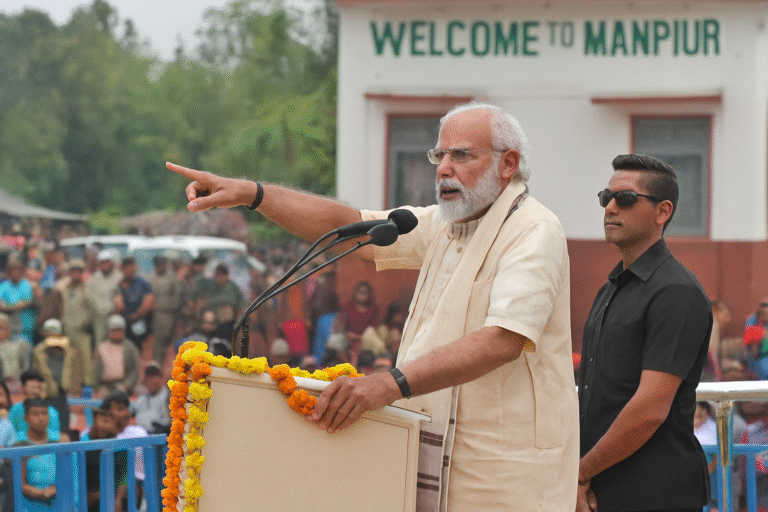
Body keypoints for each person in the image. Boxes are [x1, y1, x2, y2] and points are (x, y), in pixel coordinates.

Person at [167, 101, 579, 510]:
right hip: (437, 458)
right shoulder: (445, 224)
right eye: (440, 155)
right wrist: (251, 194)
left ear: (508, 164)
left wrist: (388, 384)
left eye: (462, 155)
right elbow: (345, 227)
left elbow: (502, 340)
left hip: (507, 477)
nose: (443, 168)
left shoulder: (534, 231)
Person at [578, 154, 712, 512]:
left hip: (654, 490)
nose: (610, 208)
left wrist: (580, 474)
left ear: (662, 212)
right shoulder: (611, 288)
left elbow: (650, 408)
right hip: (601, 484)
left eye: (624, 199)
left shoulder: (675, 292)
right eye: (606, 197)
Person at [31, 318, 80, 433]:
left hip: (63, 398)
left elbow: (76, 375)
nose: (52, 335)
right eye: (49, 332)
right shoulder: (38, 352)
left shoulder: (70, 352)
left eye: (55, 332)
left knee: (64, 432)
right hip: (44, 398)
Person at [55, 258, 96, 387]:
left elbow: (92, 309)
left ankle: (88, 384)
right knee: (70, 359)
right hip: (67, 330)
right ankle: (70, 385)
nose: (75, 274)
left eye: (78, 271)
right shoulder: (64, 289)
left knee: (85, 358)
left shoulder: (87, 288)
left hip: (82, 330)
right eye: (73, 271)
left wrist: (85, 322)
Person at [14, 398, 59, 512]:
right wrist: (41, 493)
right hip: (26, 506)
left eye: (44, 413)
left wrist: (57, 488)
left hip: (57, 502)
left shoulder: (59, 441)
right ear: (26, 418)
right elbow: (17, 483)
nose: (41, 418)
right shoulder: (18, 443)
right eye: (35, 414)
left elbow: (71, 475)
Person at [81, 405, 127, 512]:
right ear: (94, 419)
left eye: (110, 420)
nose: (106, 424)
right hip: (89, 494)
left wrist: (118, 499)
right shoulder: (83, 444)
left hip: (112, 494)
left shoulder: (121, 448)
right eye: (103, 419)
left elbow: (124, 477)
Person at [85, 249, 123, 356]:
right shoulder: (94, 279)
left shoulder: (119, 276)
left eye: (107, 262)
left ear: (112, 262)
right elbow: (88, 297)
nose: (105, 265)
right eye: (102, 262)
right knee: (100, 343)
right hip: (98, 318)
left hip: (115, 316)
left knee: (117, 343)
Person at [93, 315, 141, 397]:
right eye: (114, 331)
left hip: (123, 385)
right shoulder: (101, 347)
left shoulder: (130, 348)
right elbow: (96, 370)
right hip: (104, 386)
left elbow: (134, 370)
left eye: (119, 331)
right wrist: (97, 387)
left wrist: (126, 386)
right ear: (109, 331)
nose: (117, 333)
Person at [8, 369, 63, 441]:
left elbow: (55, 436)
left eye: (38, 388)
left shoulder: (52, 411)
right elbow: (10, 435)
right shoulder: (15, 410)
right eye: (32, 388)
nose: (35, 391)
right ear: (23, 388)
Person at [149, 254, 183, 367]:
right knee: (155, 340)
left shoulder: (172, 277)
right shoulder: (152, 276)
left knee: (164, 340)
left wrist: (169, 309)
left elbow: (177, 297)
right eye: (157, 265)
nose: (159, 267)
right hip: (152, 313)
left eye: (160, 265)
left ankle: (161, 364)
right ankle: (156, 363)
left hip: (167, 313)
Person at [116, 256, 154, 349]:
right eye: (126, 267)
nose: (128, 270)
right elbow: (118, 304)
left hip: (138, 321)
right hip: (124, 321)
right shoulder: (119, 284)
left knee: (137, 345)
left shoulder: (142, 283)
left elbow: (149, 301)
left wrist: (137, 315)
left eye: (131, 267)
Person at [0, 257, 36, 343]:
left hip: (24, 327)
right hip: (8, 328)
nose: (15, 273)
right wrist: (12, 306)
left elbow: (25, 302)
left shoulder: (27, 285)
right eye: (13, 271)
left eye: (18, 271)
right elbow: (1, 303)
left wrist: (9, 307)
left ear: (22, 272)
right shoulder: (4, 286)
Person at [133, 362, 171, 435]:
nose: (150, 379)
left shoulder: (168, 395)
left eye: (154, 376)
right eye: (148, 376)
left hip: (162, 434)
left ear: (161, 378)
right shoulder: (142, 399)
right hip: (142, 435)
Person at [0, 311, 32, 392]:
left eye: (2, 328)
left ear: (9, 329)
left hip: (16, 381)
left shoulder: (20, 344)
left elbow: (26, 366)